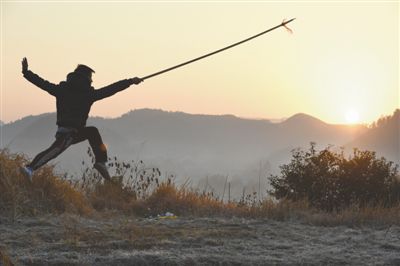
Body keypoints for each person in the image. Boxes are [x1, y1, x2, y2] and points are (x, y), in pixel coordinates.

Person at [20, 57, 143, 181]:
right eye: (91, 78)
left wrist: (26, 72)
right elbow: (111, 89)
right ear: (87, 79)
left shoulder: (61, 90)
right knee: (54, 151)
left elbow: (42, 83)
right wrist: (131, 81)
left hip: (66, 131)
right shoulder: (89, 94)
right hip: (71, 133)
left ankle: (100, 162)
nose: (92, 81)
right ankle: (29, 168)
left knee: (90, 132)